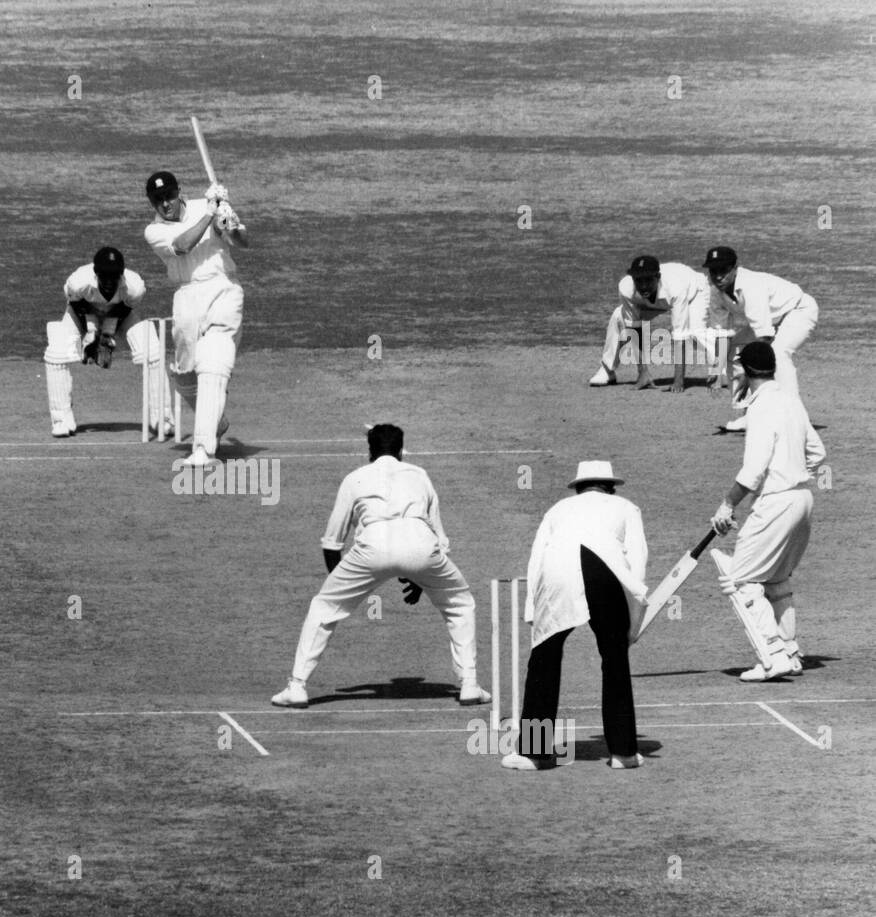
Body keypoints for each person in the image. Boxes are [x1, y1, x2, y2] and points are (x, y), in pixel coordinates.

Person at [270, 424, 491, 709]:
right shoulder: (420, 475)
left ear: (369, 452)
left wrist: (342, 589)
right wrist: (420, 580)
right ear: (401, 450)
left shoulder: (354, 478)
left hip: (371, 547)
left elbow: (332, 543)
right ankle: (469, 685)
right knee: (460, 603)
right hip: (422, 545)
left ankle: (297, 687)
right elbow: (439, 541)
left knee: (323, 608)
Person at [502, 461, 648, 771]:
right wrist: (634, 616)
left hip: (557, 573)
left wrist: (533, 610)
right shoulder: (626, 506)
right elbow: (637, 559)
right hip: (605, 572)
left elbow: (537, 558)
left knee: (544, 657)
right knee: (615, 659)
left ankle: (534, 752)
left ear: (579, 487)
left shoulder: (558, 509)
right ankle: (622, 752)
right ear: (609, 486)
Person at [709, 341, 825, 681]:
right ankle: (790, 650)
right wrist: (790, 469)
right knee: (776, 579)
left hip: (776, 502)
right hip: (802, 499)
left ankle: (773, 656)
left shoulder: (759, 409)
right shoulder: (791, 399)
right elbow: (817, 453)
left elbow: (754, 469)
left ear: (746, 370)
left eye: (738, 368)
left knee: (740, 579)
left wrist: (727, 504)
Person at [142, 170, 247, 466]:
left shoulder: (210, 204)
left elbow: (242, 242)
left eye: (170, 196)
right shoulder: (153, 231)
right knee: (185, 372)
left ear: (180, 191)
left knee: (213, 363)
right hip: (187, 297)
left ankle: (203, 449)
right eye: (158, 200)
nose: (166, 204)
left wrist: (227, 219)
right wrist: (209, 215)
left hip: (223, 288)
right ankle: (215, 420)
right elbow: (182, 246)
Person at [703, 246, 818, 431]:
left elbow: (764, 339)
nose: (718, 276)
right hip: (773, 319)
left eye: (723, 270)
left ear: (734, 268)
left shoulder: (750, 286)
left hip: (798, 310)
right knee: (734, 350)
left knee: (778, 353)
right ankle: (749, 415)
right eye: (713, 271)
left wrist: (750, 375)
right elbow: (721, 332)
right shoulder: (715, 291)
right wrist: (717, 370)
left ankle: (796, 417)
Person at [43, 247, 146, 438]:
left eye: (113, 277)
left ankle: (163, 418)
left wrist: (106, 334)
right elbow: (76, 304)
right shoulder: (79, 282)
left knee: (150, 349)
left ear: (121, 275)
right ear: (95, 273)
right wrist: (91, 333)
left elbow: (123, 309)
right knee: (56, 352)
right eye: (104, 276)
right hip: (81, 312)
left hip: (116, 313)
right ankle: (61, 419)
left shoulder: (134, 287)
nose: (108, 282)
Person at [590, 255, 712, 391]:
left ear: (658, 277)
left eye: (648, 280)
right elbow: (634, 330)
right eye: (639, 281)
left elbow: (680, 336)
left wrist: (678, 381)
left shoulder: (676, 287)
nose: (643, 286)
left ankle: (725, 366)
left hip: (693, 292)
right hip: (653, 301)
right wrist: (642, 372)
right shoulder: (626, 288)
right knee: (619, 316)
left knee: (694, 334)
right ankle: (607, 369)